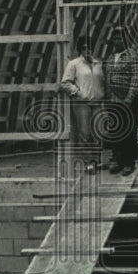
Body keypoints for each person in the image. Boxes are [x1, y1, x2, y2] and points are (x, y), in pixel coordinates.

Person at [60, 36, 105, 172]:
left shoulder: (98, 64)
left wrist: (102, 93)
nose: (87, 50)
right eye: (84, 47)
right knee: (84, 133)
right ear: (80, 49)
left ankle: (97, 161)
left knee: (98, 132)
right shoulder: (74, 64)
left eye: (90, 47)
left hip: (96, 102)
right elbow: (65, 82)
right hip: (82, 103)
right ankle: (88, 162)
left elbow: (103, 81)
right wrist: (78, 92)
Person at [103, 27, 138, 175]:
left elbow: (136, 78)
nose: (117, 41)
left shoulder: (132, 55)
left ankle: (128, 163)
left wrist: (129, 99)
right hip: (113, 100)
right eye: (115, 39)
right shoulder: (111, 57)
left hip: (127, 101)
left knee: (129, 132)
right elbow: (107, 79)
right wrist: (107, 98)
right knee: (115, 131)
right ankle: (117, 160)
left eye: (120, 38)